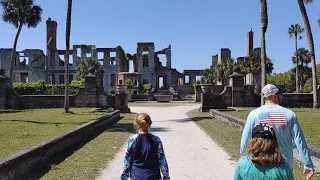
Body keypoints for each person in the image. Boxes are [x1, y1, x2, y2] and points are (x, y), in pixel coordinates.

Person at [240, 84, 315, 180]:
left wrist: (244, 159)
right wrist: (307, 164)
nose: (282, 96)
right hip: (285, 166)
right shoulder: (289, 114)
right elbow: (299, 140)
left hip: (260, 165)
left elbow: (245, 140)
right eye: (280, 94)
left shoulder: (254, 115)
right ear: (274, 95)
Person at [120, 113, 170, 180]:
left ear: (137, 125)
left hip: (136, 176)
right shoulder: (156, 140)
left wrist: (123, 178)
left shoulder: (132, 140)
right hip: (154, 176)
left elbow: (126, 162)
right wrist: (166, 177)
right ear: (149, 125)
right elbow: (162, 161)